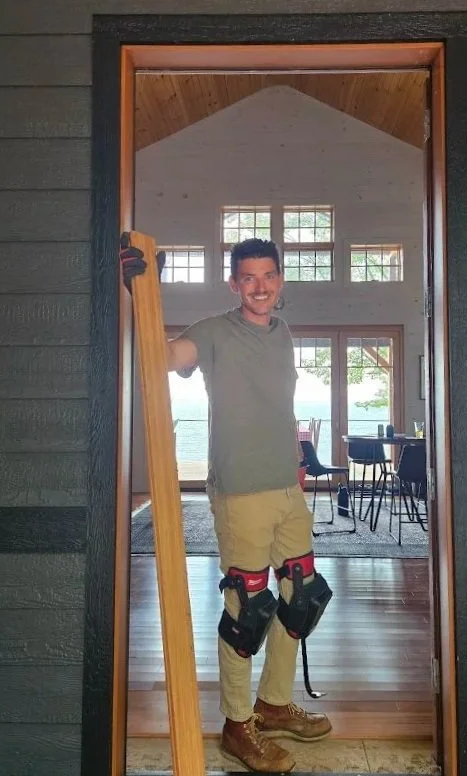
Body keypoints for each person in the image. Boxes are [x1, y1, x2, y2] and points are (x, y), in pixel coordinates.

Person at [120, 234, 332, 772]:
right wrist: (140, 292)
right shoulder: (214, 331)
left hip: (287, 488)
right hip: (240, 491)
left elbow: (279, 407)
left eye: (268, 276)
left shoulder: (283, 333)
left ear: (280, 279)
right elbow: (163, 356)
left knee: (301, 598)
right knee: (248, 609)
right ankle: (238, 725)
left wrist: (297, 465)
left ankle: (274, 703)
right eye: (248, 278)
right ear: (233, 283)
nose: (260, 287)